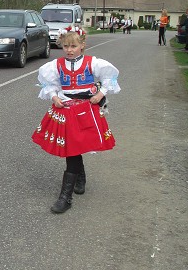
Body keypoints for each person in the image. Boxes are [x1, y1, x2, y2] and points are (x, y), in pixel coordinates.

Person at [32, 26, 121, 214]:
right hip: (65, 109)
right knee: (71, 148)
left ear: (82, 45)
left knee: (75, 147)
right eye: (66, 46)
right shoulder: (56, 65)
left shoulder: (93, 63)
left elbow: (110, 78)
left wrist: (101, 93)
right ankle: (72, 187)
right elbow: (50, 85)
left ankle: (67, 195)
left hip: (86, 109)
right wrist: (55, 97)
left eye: (73, 46)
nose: (69, 50)